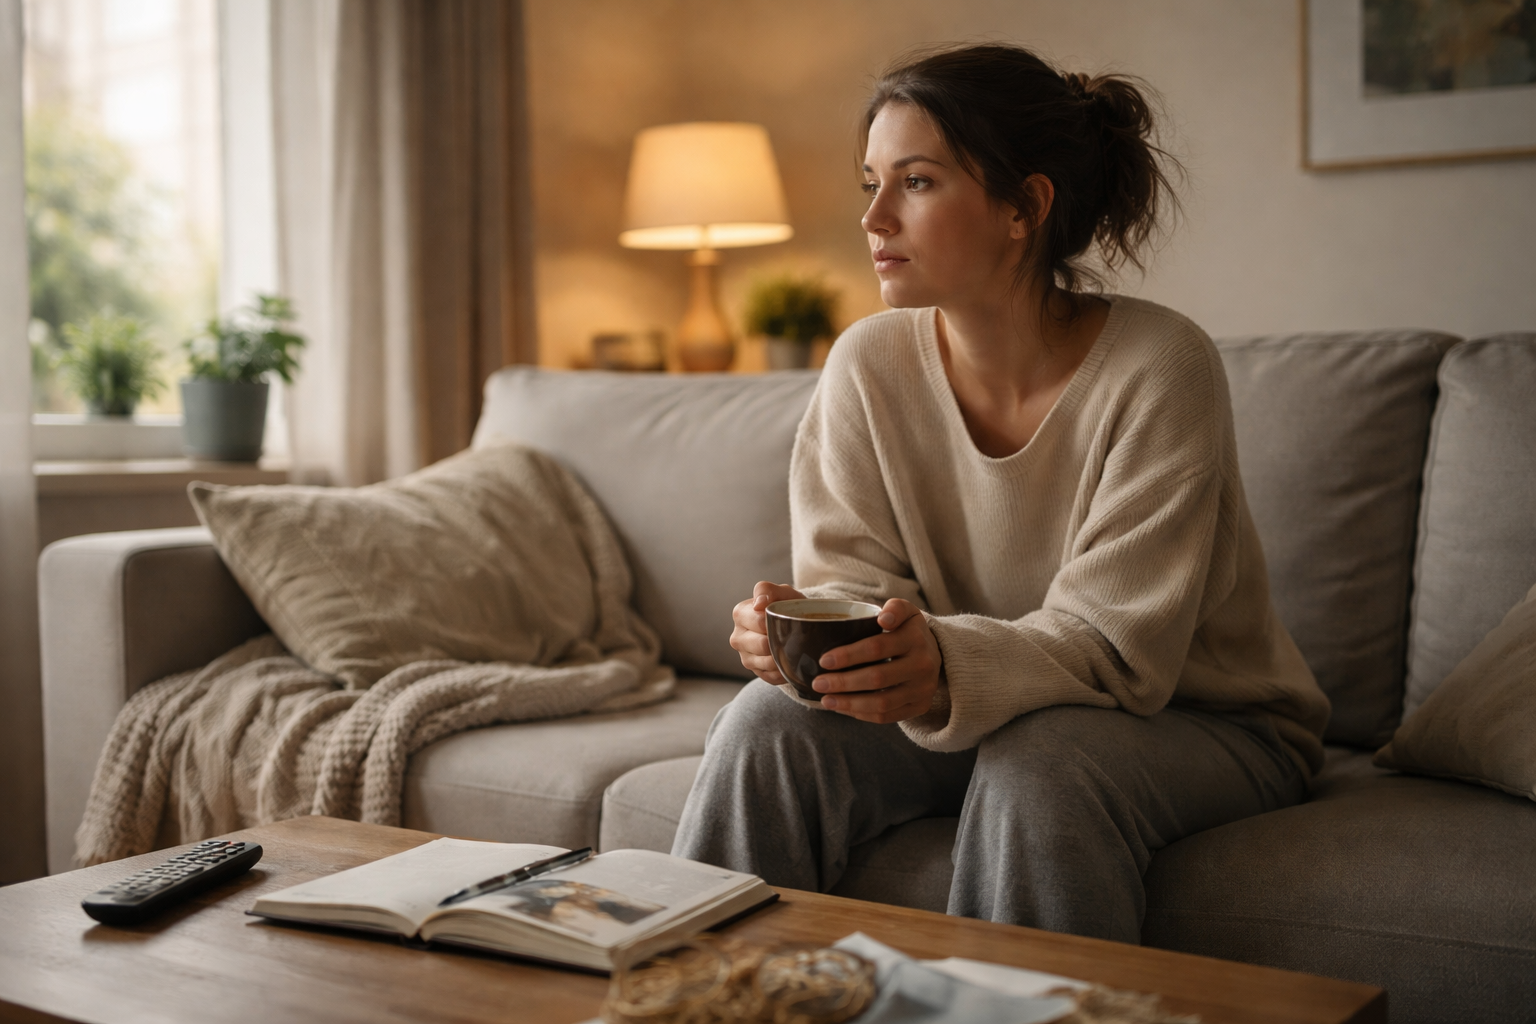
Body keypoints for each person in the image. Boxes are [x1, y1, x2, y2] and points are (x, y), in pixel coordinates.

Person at [671, 43, 1330, 945]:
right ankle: (701, 1002)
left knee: (1043, 764)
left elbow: (1116, 647)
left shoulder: (1161, 367)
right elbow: (855, 594)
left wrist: (939, 660)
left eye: (917, 183)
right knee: (764, 726)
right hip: (970, 708)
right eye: (871, 181)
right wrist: (807, 649)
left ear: (1025, 206)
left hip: (1204, 719)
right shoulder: (867, 363)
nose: (873, 217)